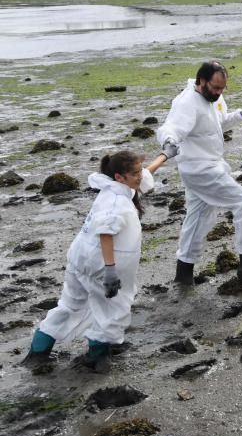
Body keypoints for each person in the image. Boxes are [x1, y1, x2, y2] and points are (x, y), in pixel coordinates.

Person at [19, 151, 165, 373]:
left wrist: (164, 156)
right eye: (135, 173)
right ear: (119, 177)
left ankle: (39, 350)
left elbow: (144, 176)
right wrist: (109, 269)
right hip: (98, 262)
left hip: (80, 257)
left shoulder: (113, 187)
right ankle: (96, 356)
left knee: (71, 304)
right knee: (112, 309)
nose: (140, 177)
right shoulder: (116, 201)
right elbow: (105, 232)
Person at [157, 61, 242, 287]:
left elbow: (220, 123)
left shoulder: (214, 98)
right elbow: (170, 127)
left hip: (211, 165)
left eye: (222, 89)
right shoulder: (186, 102)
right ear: (201, 81)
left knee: (198, 217)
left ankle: (183, 273)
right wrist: (168, 141)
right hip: (199, 169)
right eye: (215, 88)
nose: (219, 93)